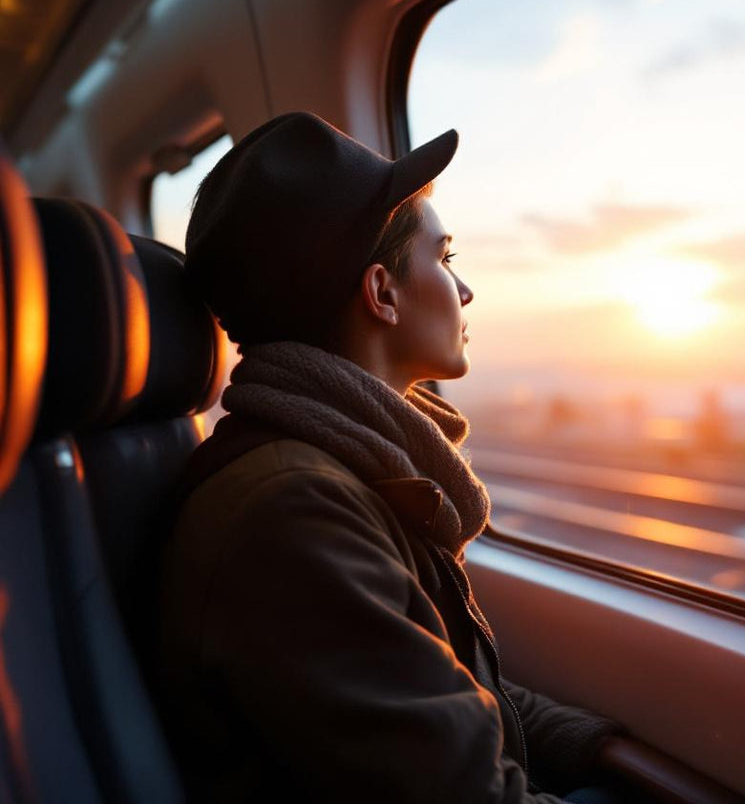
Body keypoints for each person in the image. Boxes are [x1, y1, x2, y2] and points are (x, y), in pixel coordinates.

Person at [157, 112, 626, 803]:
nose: (465, 293)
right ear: (381, 292)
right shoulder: (294, 514)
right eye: (446, 259)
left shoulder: (345, 468)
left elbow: (447, 685)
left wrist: (608, 754)